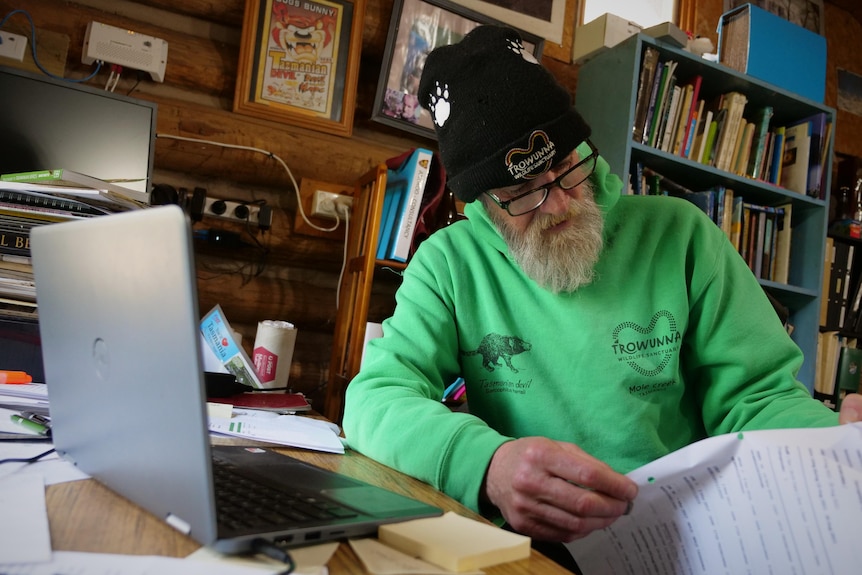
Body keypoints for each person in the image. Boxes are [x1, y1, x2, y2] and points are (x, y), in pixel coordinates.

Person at [341, 24, 862, 568]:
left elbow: (758, 398)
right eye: (523, 193)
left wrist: (837, 443)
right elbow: (375, 399)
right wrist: (488, 465)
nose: (560, 205)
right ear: (483, 205)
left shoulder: (681, 235)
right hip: (528, 544)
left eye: (567, 167)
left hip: (677, 538)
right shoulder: (448, 265)